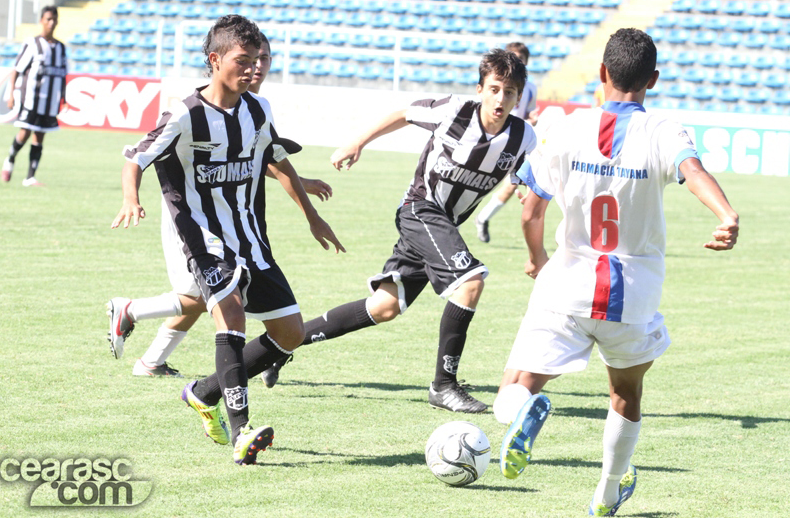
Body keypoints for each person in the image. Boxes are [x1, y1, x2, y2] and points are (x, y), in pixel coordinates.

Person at [492, 29, 739, 515]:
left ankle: (524, 410)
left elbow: (529, 211)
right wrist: (726, 215)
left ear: (601, 75)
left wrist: (537, 259)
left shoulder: (564, 129)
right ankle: (606, 493)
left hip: (567, 286)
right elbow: (694, 173)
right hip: (634, 296)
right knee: (626, 393)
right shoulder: (665, 132)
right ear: (653, 79)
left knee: (514, 384)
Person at [111, 15, 345, 465]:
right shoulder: (184, 114)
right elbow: (136, 158)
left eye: (258, 60)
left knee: (290, 333)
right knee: (230, 311)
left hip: (251, 237)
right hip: (203, 238)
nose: (252, 68)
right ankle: (242, 432)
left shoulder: (259, 109)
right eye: (243, 60)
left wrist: (312, 217)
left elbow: (275, 158)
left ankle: (203, 392)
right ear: (215, 60)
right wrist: (130, 198)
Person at [262, 49, 538, 413]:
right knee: (471, 282)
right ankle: (444, 385)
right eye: (495, 89)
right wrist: (357, 142)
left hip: (443, 225)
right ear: (480, 88)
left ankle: (283, 347)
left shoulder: (523, 137)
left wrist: (528, 193)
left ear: (520, 96)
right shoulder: (454, 110)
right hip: (420, 209)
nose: (501, 99)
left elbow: (530, 178)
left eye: (510, 92)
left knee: (385, 306)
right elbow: (403, 114)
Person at [474, 42, 538, 244]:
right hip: (492, 138)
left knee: (513, 185)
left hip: (514, 143)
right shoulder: (493, 85)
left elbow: (528, 113)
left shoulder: (530, 89)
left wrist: (532, 119)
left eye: (521, 60)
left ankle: (482, 218)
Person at [1, 5, 67, 186]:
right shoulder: (33, 44)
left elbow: (62, 75)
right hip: (31, 99)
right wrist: (11, 93)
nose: (51, 23)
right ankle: (10, 159)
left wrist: (64, 99)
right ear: (41, 21)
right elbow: (17, 70)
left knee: (40, 136)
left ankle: (30, 177)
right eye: (48, 19)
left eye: (54, 19)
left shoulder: (61, 48)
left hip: (50, 102)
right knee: (24, 133)